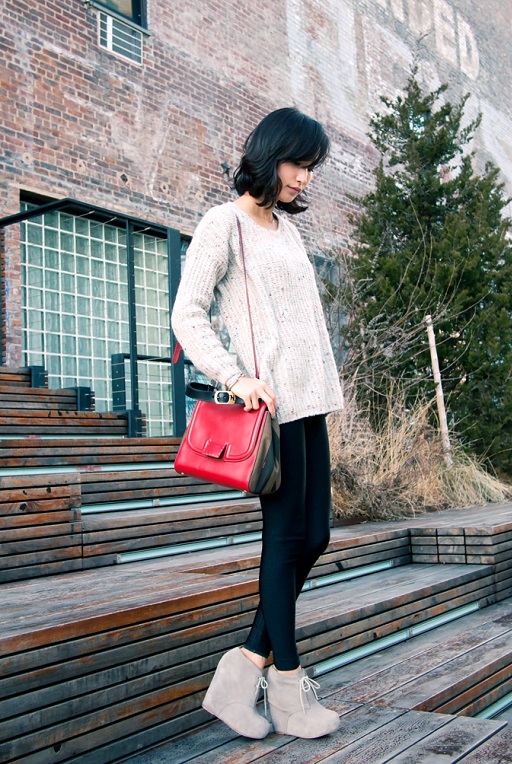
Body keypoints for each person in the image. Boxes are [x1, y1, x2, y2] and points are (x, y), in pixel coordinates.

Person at [172, 107, 344, 740]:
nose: (304, 177)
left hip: (309, 401)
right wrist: (236, 378)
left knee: (317, 535)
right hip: (269, 406)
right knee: (287, 538)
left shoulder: (287, 230)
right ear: (271, 155)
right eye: (298, 163)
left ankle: (243, 667)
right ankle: (289, 689)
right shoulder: (224, 223)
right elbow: (187, 314)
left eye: (311, 168)